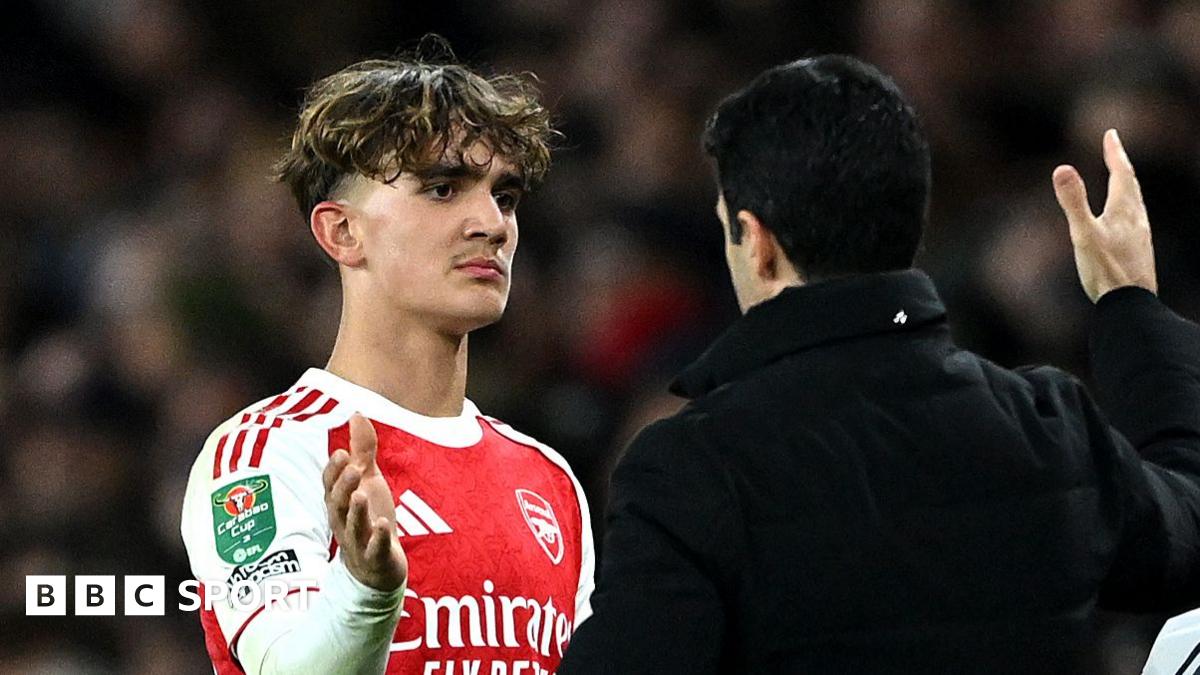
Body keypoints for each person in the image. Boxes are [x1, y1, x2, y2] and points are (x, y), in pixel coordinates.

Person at [558, 55, 1200, 673]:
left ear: (756, 241)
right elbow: (1189, 522)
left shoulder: (693, 469)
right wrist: (1129, 303)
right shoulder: (1047, 430)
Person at [180, 45, 594, 675]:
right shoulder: (267, 454)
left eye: (505, 196)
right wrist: (367, 591)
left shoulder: (549, 481)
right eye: (442, 188)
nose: (493, 224)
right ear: (342, 232)